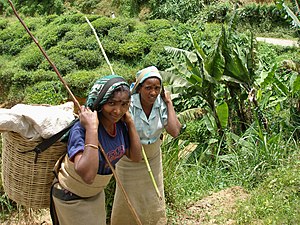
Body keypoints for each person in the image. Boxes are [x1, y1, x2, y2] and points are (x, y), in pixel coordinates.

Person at [50, 75, 142, 225]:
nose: (118, 111)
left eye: (124, 104)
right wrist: (92, 128)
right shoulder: (81, 130)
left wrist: (130, 123)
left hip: (95, 194)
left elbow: (136, 156)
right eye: (111, 103)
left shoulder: (120, 125)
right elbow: (88, 175)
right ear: (100, 102)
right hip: (72, 198)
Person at [111, 66, 182, 225]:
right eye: (148, 88)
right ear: (139, 87)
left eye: (157, 88)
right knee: (127, 199)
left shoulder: (161, 104)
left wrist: (169, 103)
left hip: (153, 158)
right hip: (129, 160)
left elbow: (174, 130)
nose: (153, 92)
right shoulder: (128, 105)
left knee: (152, 198)